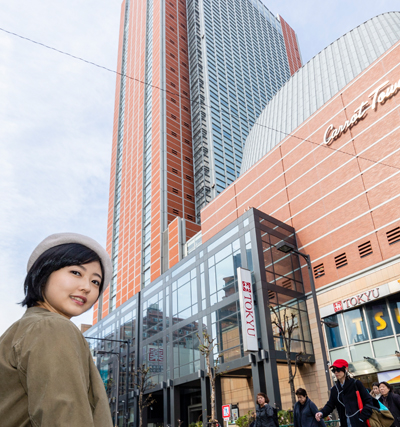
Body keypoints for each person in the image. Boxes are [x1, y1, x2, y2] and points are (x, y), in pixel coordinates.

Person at [0, 233, 113, 427]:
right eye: (76, 272)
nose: (86, 287)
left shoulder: (23, 329)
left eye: (95, 282)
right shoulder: (52, 327)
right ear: (44, 272)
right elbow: (65, 417)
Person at [315, 359, 375, 427]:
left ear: (346, 369)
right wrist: (321, 413)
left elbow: (368, 401)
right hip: (345, 423)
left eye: (338, 369)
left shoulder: (356, 384)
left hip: (360, 423)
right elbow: (330, 405)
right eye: (333, 370)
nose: (336, 372)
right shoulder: (335, 389)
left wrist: (362, 419)